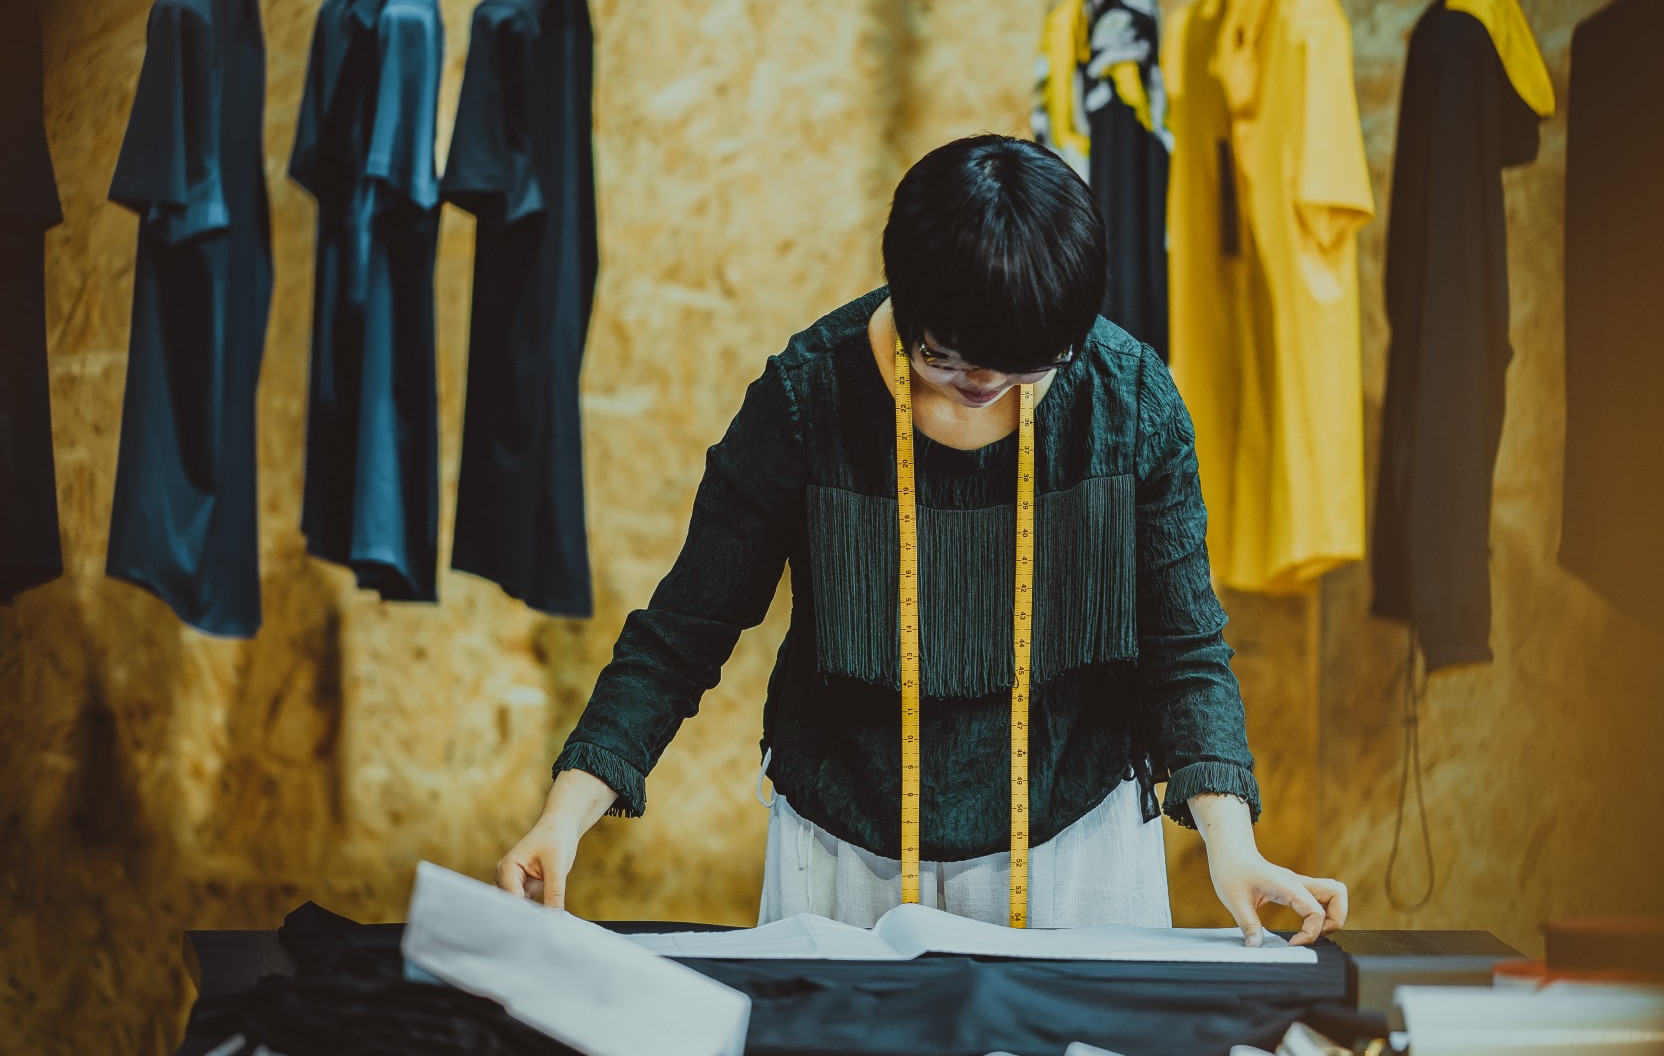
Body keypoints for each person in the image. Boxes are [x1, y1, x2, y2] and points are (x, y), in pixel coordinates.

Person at [496, 134, 1348, 946]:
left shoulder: (1129, 402)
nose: (985, 391)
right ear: (905, 302)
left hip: (1075, 845)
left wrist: (1231, 845)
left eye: (1026, 371)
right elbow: (683, 633)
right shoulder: (808, 401)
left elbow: (1185, 648)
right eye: (950, 363)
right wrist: (564, 814)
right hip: (845, 852)